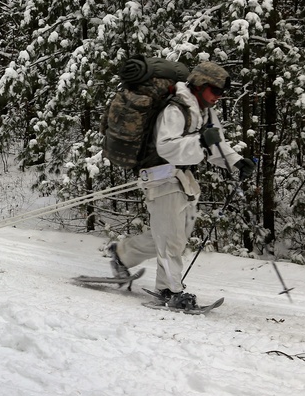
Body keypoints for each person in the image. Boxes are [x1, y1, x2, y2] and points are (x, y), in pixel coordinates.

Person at [108, 61, 256, 309]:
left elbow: (215, 144)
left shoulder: (204, 110)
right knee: (171, 237)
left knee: (173, 236)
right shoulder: (176, 108)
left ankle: (123, 254)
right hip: (160, 175)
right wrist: (200, 141)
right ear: (200, 84)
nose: (218, 97)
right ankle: (170, 290)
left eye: (221, 93)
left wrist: (237, 162)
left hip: (182, 178)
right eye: (215, 90)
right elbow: (166, 147)